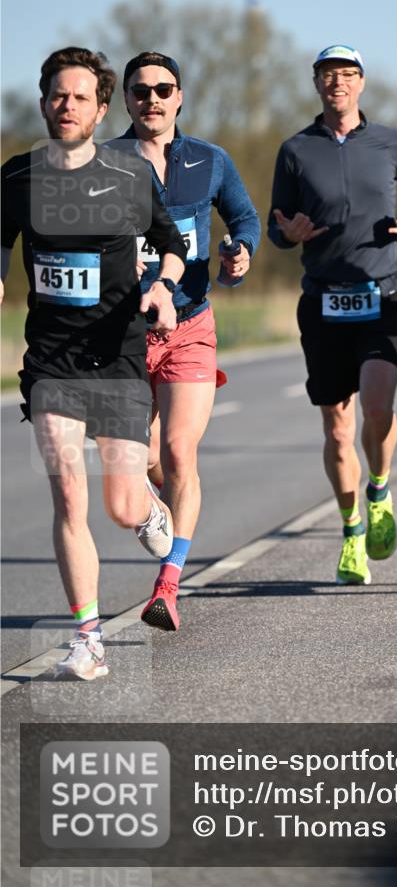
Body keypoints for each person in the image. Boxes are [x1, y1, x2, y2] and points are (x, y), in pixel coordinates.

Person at [0, 47, 187, 679]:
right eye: (57, 95)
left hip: (117, 354)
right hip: (51, 361)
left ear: (101, 108)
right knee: (69, 497)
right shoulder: (17, 178)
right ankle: (88, 639)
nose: (67, 105)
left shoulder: (130, 175)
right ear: (43, 100)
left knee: (121, 506)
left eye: (80, 97)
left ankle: (150, 513)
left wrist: (161, 288)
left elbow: (172, 246)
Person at [108, 51, 261, 632]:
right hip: (123, 331)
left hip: (191, 325)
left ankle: (168, 585)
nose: (152, 99)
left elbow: (245, 219)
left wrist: (241, 252)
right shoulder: (106, 162)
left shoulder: (210, 160)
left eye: (163, 89)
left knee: (178, 452)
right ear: (125, 99)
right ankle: (156, 511)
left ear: (180, 97)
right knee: (142, 458)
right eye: (140, 90)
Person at [268, 44, 397, 586]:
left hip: (383, 293)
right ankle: (352, 529)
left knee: (377, 408)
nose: (338, 82)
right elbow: (276, 224)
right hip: (323, 298)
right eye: (328, 74)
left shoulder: (391, 141)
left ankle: (379, 488)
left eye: (347, 74)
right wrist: (284, 234)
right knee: (338, 430)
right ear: (316, 84)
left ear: (361, 82)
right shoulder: (295, 149)